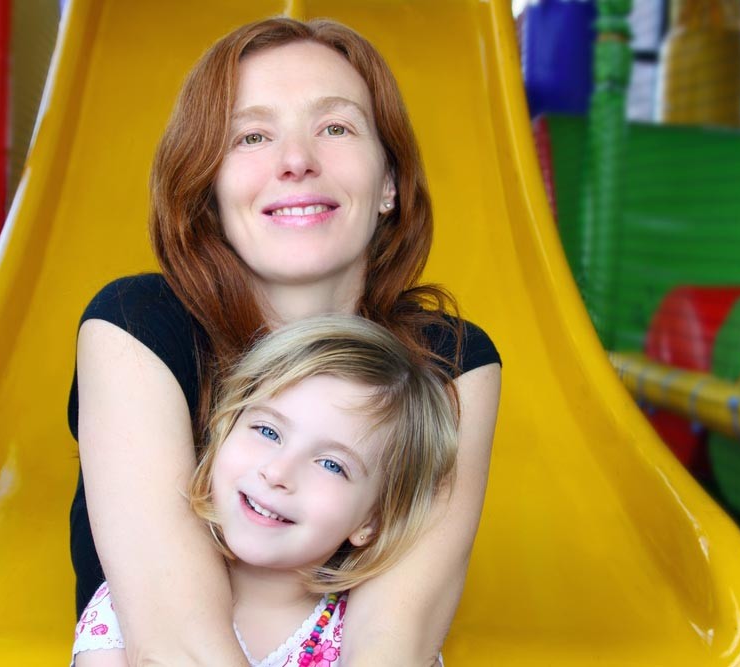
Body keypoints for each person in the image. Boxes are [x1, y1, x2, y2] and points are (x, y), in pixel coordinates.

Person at [69, 16, 502, 666]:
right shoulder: (135, 325)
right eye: (252, 135)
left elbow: (392, 644)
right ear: (210, 187)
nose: (296, 160)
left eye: (335, 127)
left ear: (388, 182)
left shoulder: (449, 362)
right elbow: (177, 645)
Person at [72, 316, 457, 666]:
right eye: (268, 431)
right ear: (224, 432)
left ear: (372, 520)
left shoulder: (370, 639)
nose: (277, 472)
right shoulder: (133, 609)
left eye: (331, 464)